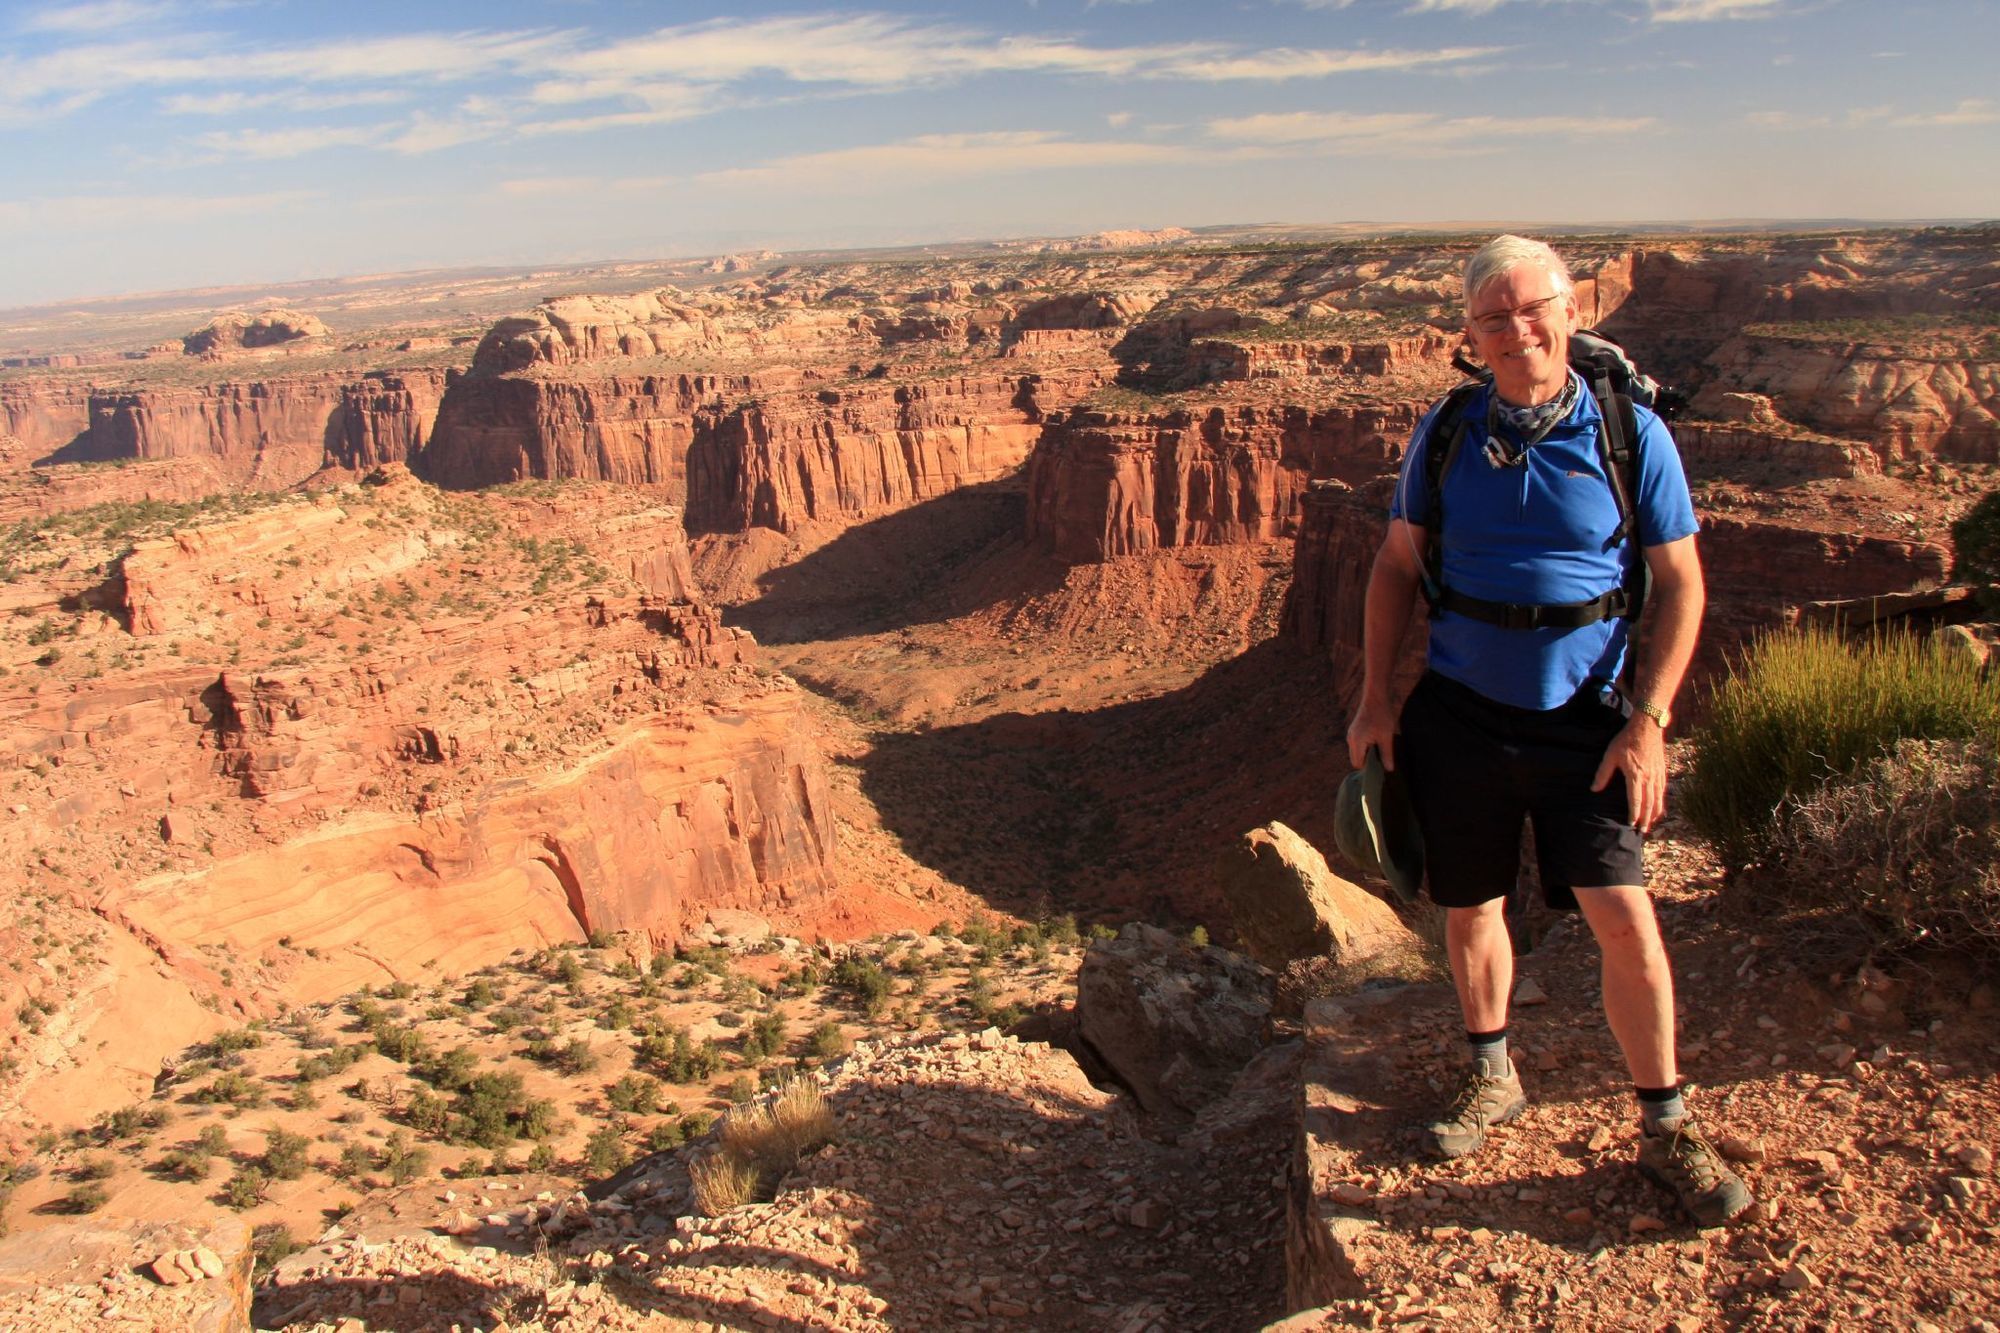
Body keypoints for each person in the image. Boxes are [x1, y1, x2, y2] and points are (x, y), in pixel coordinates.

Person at [1344, 234, 1753, 1228]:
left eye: (1532, 310)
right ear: (1469, 335)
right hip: (1458, 713)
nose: (1516, 331)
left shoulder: (1629, 434)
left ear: (1571, 311)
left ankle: (1663, 1126)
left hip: (1589, 720)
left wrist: (1649, 720)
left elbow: (1682, 583)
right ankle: (1491, 1074)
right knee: (1469, 906)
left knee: (1623, 916)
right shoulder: (1444, 433)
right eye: (1492, 318)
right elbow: (1397, 566)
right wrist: (1372, 696)